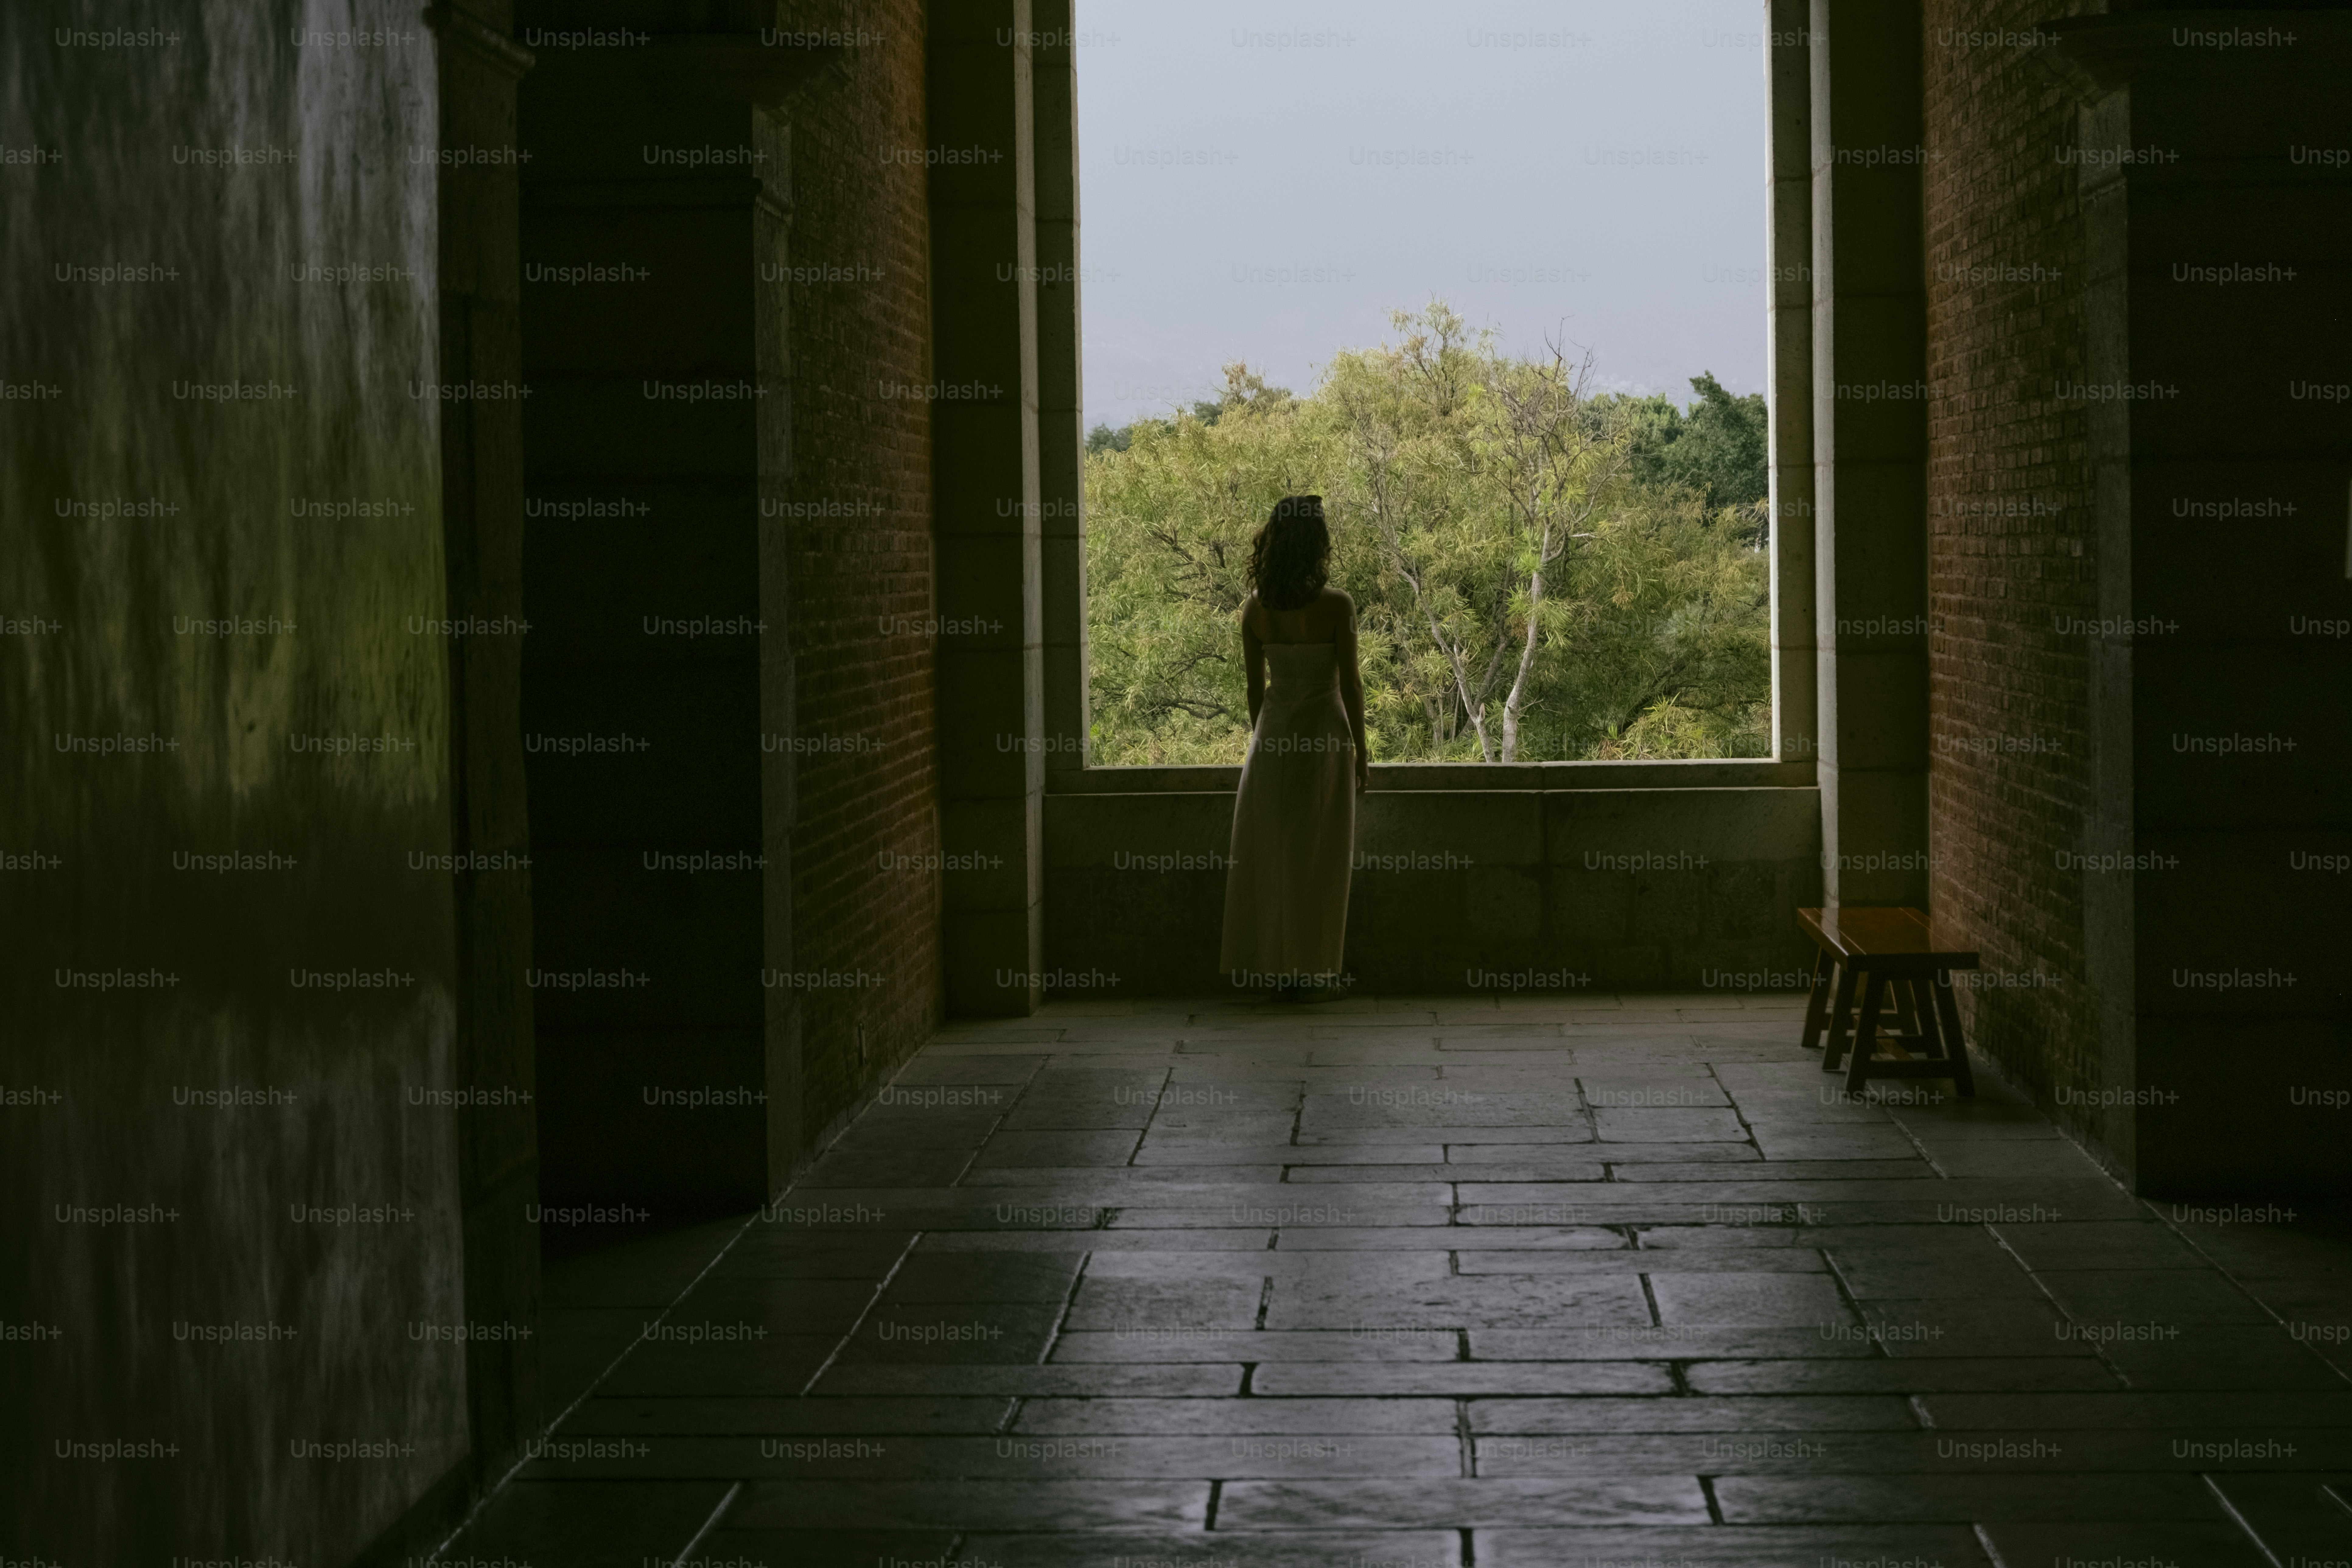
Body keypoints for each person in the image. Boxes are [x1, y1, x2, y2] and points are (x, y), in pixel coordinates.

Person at [1218, 495, 1370, 1001]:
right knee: (1321, 856)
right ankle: (1316, 973)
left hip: (1272, 736)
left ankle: (1270, 969)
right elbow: (1351, 687)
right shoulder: (1337, 606)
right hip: (1325, 736)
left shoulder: (1256, 608)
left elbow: (1252, 691)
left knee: (1271, 855)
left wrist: (1264, 742)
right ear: (1317, 544)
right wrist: (1362, 753)